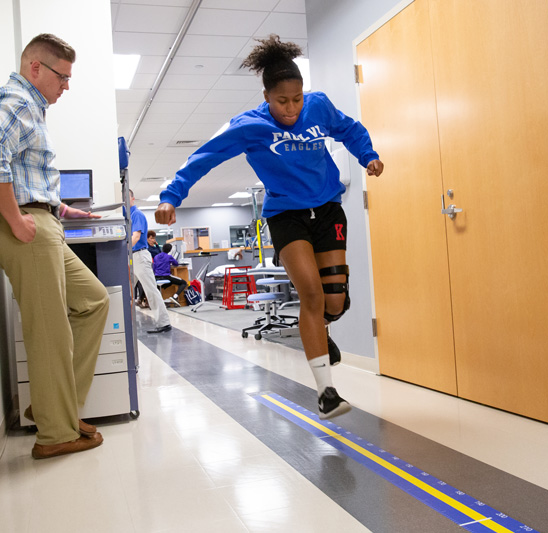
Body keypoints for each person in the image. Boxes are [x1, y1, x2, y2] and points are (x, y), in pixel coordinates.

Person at [155, 35, 384, 419]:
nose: (291, 109)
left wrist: (369, 156)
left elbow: (350, 130)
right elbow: (203, 158)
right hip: (286, 215)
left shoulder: (319, 106)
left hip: (327, 208)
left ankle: (322, 330)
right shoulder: (249, 126)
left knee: (335, 302)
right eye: (282, 101)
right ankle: (327, 392)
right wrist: (171, 196)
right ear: (266, 97)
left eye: (296, 99)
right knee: (310, 295)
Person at [0, 33, 107, 459]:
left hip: (39, 219)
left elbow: (24, 174)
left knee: (93, 301)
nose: (66, 86)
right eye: (62, 77)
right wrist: (15, 218)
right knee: (50, 330)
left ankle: (52, 407)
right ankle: (54, 434)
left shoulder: (32, 108)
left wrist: (64, 210)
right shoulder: (18, 101)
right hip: (19, 225)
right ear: (35, 69)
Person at [129, 190, 172, 333]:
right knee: (127, 291)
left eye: (126, 197)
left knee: (151, 290)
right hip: (132, 257)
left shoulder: (137, 215)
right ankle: (125, 323)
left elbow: (135, 237)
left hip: (139, 256)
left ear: (133, 198)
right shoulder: (126, 215)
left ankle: (164, 323)